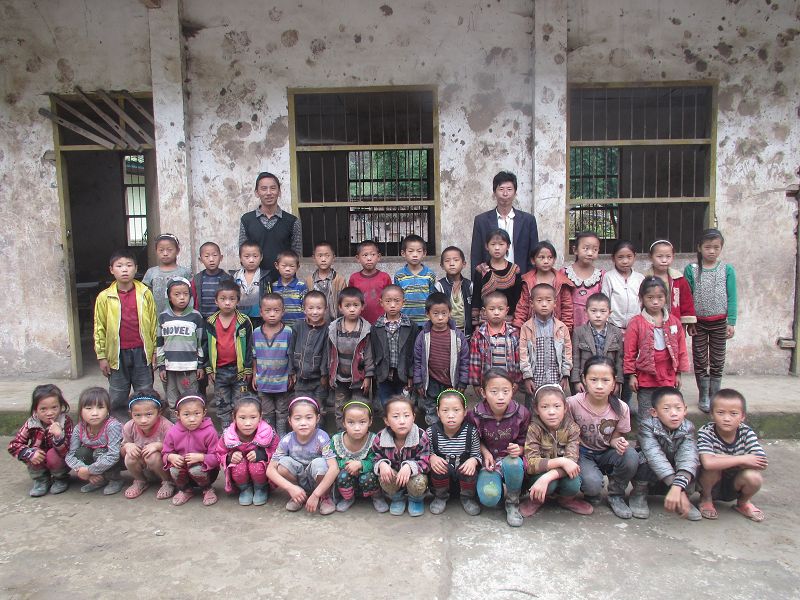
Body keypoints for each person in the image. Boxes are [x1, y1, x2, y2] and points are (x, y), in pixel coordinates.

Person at [567, 357, 638, 519]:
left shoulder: (621, 407)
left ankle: (616, 494)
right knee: (592, 485)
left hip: (606, 452)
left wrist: (617, 442)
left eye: (605, 380)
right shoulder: (572, 403)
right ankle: (591, 489)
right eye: (593, 380)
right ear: (584, 379)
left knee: (631, 456)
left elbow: (615, 437)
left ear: (614, 383)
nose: (599, 386)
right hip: (582, 453)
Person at [94, 249, 157, 419]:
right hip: (116, 354)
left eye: (129, 265)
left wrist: (154, 351)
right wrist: (102, 356)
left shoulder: (145, 293)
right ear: (111, 269)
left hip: (141, 352)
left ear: (136, 268)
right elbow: (99, 328)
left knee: (145, 393)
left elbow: (153, 324)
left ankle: (145, 426)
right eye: (119, 266)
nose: (124, 269)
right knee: (118, 395)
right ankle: (119, 428)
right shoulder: (104, 297)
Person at [684, 229, 737, 413]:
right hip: (698, 323)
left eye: (716, 247)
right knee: (700, 359)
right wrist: (689, 321)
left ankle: (715, 395)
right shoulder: (691, 269)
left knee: (717, 359)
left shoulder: (727, 270)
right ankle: (703, 395)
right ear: (699, 248)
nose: (712, 251)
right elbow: (687, 297)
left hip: (720, 322)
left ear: (721, 248)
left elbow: (732, 296)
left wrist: (731, 321)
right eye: (707, 247)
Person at [629, 387, 701, 521]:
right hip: (652, 471)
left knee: (694, 461)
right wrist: (677, 487)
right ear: (654, 412)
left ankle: (684, 497)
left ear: (685, 410)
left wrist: (678, 487)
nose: (674, 413)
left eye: (678, 408)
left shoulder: (688, 428)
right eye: (666, 409)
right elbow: (654, 455)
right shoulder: (646, 426)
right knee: (642, 458)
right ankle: (639, 494)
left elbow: (687, 456)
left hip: (673, 474)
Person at [697, 389, 767, 522]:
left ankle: (743, 503)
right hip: (711, 484)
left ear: (742, 416)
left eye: (733, 413)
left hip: (736, 483)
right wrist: (743, 459)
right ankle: (706, 499)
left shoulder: (746, 432)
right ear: (712, 414)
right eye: (720, 413)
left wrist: (718, 458)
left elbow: (761, 462)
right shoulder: (706, 432)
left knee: (754, 477)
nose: (727, 418)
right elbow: (708, 463)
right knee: (711, 469)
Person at [470, 368, 529, 527]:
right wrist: (485, 452)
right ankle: (500, 489)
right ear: (483, 392)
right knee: (489, 498)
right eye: (494, 392)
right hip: (489, 464)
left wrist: (520, 449)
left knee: (514, 463)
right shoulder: (475, 415)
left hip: (511, 463)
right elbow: (473, 439)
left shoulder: (522, 414)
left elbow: (528, 442)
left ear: (513, 390)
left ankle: (512, 502)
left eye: (505, 391)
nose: (500, 397)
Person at [521, 384, 593, 517]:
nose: (551, 412)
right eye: (545, 407)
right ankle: (536, 500)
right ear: (536, 409)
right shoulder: (534, 429)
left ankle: (566, 500)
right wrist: (561, 461)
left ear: (565, 408)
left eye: (557, 406)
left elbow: (572, 463)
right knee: (550, 484)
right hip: (538, 474)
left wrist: (548, 477)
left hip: (559, 474)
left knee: (573, 483)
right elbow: (531, 464)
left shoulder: (572, 429)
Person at [624, 277, 690, 414]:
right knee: (646, 413)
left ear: (666, 298)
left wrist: (678, 373)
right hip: (645, 377)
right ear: (641, 298)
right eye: (650, 297)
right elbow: (629, 352)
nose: (655, 302)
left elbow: (681, 350)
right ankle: (646, 429)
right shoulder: (636, 323)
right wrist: (632, 375)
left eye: (660, 297)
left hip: (668, 375)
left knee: (666, 411)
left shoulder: (674, 322)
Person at [266, 396, 338, 515]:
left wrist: (316, 494)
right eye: (297, 418)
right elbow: (270, 470)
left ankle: (324, 497)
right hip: (299, 479)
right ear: (290, 421)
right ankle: (299, 495)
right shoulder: (287, 440)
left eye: (309, 418)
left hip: (317, 481)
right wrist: (290, 488)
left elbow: (334, 468)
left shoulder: (321, 437)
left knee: (320, 463)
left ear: (317, 418)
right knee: (283, 464)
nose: (303, 423)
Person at [413, 292, 470, 425]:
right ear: (428, 314)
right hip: (431, 381)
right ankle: (434, 433)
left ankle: (448, 432)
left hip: (451, 382)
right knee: (431, 409)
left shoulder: (457, 336)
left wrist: (463, 381)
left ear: (450, 312)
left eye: (444, 313)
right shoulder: (423, 336)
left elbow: (464, 360)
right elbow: (417, 361)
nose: (440, 317)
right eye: (435, 313)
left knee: (449, 408)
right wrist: (418, 381)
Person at [7, 384, 73, 497]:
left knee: (52, 454)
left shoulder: (65, 422)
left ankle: (60, 478)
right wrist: (29, 453)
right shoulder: (31, 423)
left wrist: (59, 436)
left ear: (61, 406)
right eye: (43, 409)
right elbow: (14, 445)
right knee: (34, 451)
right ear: (35, 410)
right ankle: (41, 480)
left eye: (54, 407)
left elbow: (69, 452)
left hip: (59, 459)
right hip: (39, 459)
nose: (49, 413)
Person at [205, 280, 254, 429]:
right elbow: (206, 346)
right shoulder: (210, 322)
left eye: (232, 299)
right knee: (222, 402)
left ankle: (239, 430)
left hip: (239, 371)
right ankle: (226, 431)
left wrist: (248, 369)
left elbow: (250, 346)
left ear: (238, 301)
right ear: (216, 301)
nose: (227, 303)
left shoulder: (244, 321)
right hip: (219, 371)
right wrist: (209, 368)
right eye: (223, 299)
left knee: (240, 402)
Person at [470, 171, 539, 275]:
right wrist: (477, 279)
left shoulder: (528, 220)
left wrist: (530, 279)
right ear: (494, 193)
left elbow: (534, 253)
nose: (505, 193)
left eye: (509, 189)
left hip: (520, 277)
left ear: (515, 193)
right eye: (501, 189)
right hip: (490, 277)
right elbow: (476, 255)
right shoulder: (481, 220)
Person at [373, 394, 430, 517]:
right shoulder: (380, 438)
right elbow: (375, 458)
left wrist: (409, 467)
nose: (402, 421)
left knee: (418, 481)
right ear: (386, 420)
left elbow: (425, 462)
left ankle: (415, 499)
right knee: (384, 475)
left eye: (406, 415)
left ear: (413, 417)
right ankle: (397, 498)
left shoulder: (421, 436)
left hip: (413, 477)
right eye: (395, 416)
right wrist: (382, 464)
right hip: (394, 477)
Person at [215, 396, 279, 506]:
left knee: (256, 465)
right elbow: (219, 453)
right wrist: (230, 457)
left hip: (261, 472)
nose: (248, 423)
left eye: (253, 417)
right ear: (234, 417)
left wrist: (263, 454)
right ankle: (245, 489)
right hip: (239, 474)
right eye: (242, 418)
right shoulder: (228, 435)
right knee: (238, 465)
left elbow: (278, 451)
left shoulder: (268, 433)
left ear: (260, 417)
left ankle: (260, 488)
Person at [427, 389, 482, 516]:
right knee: (439, 466)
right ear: (438, 412)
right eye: (445, 410)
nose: (450, 415)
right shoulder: (431, 432)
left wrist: (473, 461)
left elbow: (477, 454)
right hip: (441, 481)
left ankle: (467, 498)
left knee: (469, 468)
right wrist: (431, 457)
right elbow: (424, 454)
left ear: (465, 412)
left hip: (463, 481)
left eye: (456, 410)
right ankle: (440, 497)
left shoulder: (471, 432)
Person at [327, 287, 374, 429]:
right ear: (340, 307)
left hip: (359, 378)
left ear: (362, 306)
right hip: (340, 378)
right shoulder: (334, 328)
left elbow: (369, 355)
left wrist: (368, 376)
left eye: (356, 305)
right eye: (347, 306)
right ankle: (340, 434)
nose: (352, 309)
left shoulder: (365, 329)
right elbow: (329, 353)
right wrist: (330, 374)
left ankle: (360, 434)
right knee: (340, 408)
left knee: (359, 407)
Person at [156, 277, 205, 410]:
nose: (182, 298)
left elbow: (201, 343)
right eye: (177, 294)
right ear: (169, 297)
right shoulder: (163, 317)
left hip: (189, 367)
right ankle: (174, 421)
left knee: (190, 398)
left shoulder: (196, 316)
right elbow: (160, 343)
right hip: (170, 367)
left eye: (185, 294)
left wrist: (200, 365)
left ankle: (191, 420)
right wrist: (161, 366)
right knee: (172, 398)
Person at [239, 172, 302, 275]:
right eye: (264, 189)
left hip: (284, 281)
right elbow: (243, 253)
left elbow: (296, 255)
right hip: (256, 280)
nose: (268, 193)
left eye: (273, 188)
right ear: (256, 193)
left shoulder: (292, 221)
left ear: (279, 192)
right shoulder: (246, 220)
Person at [162, 394, 220, 506]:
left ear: (204, 413)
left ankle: (207, 489)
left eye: (197, 413)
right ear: (177, 415)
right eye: (186, 414)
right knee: (174, 469)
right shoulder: (173, 432)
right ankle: (185, 490)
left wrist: (202, 457)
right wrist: (170, 457)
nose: (192, 419)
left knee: (196, 469)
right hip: (183, 471)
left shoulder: (210, 432)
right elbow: (165, 453)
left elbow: (217, 457)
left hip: (206, 472)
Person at [65, 387, 124, 495]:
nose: (95, 413)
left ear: (108, 410)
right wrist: (81, 469)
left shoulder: (112, 426)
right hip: (94, 465)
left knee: (99, 452)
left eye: (100, 407)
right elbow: (70, 455)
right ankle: (99, 480)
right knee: (81, 452)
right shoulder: (79, 428)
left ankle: (115, 479)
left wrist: (89, 470)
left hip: (118, 459)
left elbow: (114, 455)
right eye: (88, 408)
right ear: (81, 411)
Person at [519, 284, 572, 401]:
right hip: (534, 379)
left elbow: (567, 352)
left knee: (554, 404)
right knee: (533, 406)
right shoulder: (526, 328)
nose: (544, 304)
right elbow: (523, 354)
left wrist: (565, 374)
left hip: (555, 378)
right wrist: (527, 377)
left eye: (548, 300)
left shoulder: (562, 328)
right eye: (539, 300)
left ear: (555, 303)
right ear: (532, 303)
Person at [120, 389, 174, 500]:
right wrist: (127, 446)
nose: (143, 420)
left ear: (159, 412)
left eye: (149, 414)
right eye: (137, 415)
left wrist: (158, 446)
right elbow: (122, 452)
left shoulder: (166, 426)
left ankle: (168, 482)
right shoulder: (129, 427)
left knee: (152, 456)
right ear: (131, 414)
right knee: (130, 457)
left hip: (164, 467)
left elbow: (176, 449)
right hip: (143, 467)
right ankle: (140, 480)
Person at [252, 293, 294, 437]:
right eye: (267, 310)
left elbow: (291, 355)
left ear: (283, 312)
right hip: (263, 380)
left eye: (276, 310)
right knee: (267, 411)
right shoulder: (256, 332)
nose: (272, 314)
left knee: (282, 410)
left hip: (282, 381)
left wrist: (291, 374)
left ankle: (281, 435)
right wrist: (254, 375)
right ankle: (269, 435)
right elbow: (254, 356)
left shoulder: (288, 332)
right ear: (261, 312)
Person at [330, 401, 382, 512]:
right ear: (343, 423)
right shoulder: (336, 440)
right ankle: (348, 498)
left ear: (370, 421)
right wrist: (348, 465)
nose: (357, 428)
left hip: (367, 478)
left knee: (368, 477)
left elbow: (376, 460)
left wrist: (361, 465)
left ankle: (376, 496)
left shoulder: (374, 440)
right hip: (347, 478)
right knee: (343, 475)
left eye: (362, 422)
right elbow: (332, 460)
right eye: (351, 422)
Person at [371, 285, 419, 406]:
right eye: (388, 301)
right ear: (381, 303)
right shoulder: (376, 327)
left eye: (397, 301)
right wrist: (375, 373)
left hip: (403, 375)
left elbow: (414, 354)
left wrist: (411, 375)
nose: (392, 305)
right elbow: (373, 352)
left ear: (403, 302)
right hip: (383, 375)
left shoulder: (411, 326)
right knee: (386, 405)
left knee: (404, 405)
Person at [570, 293, 624, 397]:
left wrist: (618, 381)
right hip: (587, 379)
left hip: (608, 379)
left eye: (603, 311)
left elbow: (619, 359)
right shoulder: (579, 332)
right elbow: (575, 358)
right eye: (593, 311)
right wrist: (576, 381)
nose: (598, 315)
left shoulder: (616, 332)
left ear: (609, 313)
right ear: (586, 312)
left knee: (609, 404)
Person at [513, 241, 574, 330]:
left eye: (550, 257)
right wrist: (518, 328)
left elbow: (567, 308)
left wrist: (566, 329)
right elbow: (523, 307)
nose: (546, 261)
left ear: (554, 259)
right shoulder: (528, 281)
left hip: (556, 330)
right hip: (532, 329)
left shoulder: (562, 282)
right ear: (533, 260)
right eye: (541, 257)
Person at [468, 291, 521, 388]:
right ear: (484, 311)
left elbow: (518, 360)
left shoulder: (513, 334)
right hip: (487, 384)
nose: (496, 313)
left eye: (500, 309)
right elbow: (474, 360)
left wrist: (517, 382)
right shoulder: (479, 335)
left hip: (508, 383)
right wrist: (476, 384)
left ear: (506, 310)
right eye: (492, 309)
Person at [289, 291, 330, 409]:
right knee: (301, 407)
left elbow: (327, 354)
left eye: (319, 308)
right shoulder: (298, 326)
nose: (315, 312)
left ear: (325, 309)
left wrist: (324, 375)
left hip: (318, 380)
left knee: (319, 408)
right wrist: (291, 371)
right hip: (300, 378)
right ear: (304, 309)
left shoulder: (327, 329)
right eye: (311, 308)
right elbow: (291, 350)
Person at [472, 229, 524, 322]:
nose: (497, 248)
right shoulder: (481, 270)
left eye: (501, 244)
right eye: (493, 244)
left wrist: (517, 322)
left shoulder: (515, 270)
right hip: (485, 322)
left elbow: (518, 299)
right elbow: (476, 298)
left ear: (508, 246)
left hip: (509, 322)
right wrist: (475, 323)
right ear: (486, 246)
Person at [647, 239, 696, 328]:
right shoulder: (644, 279)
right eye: (659, 256)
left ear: (673, 256)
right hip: (649, 323)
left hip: (674, 324)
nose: (664, 260)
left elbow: (686, 301)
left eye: (668, 256)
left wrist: (689, 322)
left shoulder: (678, 278)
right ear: (650, 257)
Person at [142, 233, 193, 317]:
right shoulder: (151, 272)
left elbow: (191, 295)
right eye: (161, 250)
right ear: (156, 251)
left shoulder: (184, 272)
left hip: (180, 318)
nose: (165, 253)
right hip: (157, 317)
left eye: (169, 250)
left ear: (177, 250)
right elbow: (146, 296)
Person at [562, 231, 604, 329]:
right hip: (569, 323)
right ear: (575, 250)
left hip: (593, 325)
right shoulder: (564, 274)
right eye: (586, 248)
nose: (590, 253)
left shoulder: (601, 276)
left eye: (595, 249)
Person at [393, 234, 437, 325]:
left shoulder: (430, 275)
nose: (415, 255)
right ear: (403, 253)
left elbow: (432, 298)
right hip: (405, 321)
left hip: (425, 321)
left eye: (419, 251)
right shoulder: (399, 275)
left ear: (424, 253)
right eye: (411, 251)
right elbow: (397, 298)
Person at [349, 240, 393, 324]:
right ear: (358, 258)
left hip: (381, 322)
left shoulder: (384, 277)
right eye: (365, 255)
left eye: (373, 255)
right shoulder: (354, 278)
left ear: (378, 257)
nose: (369, 259)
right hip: (359, 322)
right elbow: (350, 299)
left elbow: (390, 299)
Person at [435, 246, 474, 338]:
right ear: (442, 266)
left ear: (464, 264)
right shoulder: (439, 286)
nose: (452, 264)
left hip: (466, 333)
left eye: (456, 260)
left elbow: (474, 309)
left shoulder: (469, 285)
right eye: (447, 261)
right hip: (446, 333)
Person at [304, 240, 346, 322]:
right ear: (314, 258)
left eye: (327, 256)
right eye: (320, 256)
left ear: (333, 258)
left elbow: (344, 303)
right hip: (314, 323)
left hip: (335, 323)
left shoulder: (339, 280)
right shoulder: (309, 280)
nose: (323, 259)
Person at [191, 241, 233, 320]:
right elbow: (192, 299)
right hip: (201, 318)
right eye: (207, 256)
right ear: (200, 260)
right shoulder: (197, 279)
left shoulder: (227, 279)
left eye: (215, 255)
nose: (211, 259)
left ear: (221, 258)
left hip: (220, 319)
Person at [233, 241, 272, 327]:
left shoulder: (265, 276)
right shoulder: (235, 276)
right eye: (247, 256)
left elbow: (269, 297)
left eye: (255, 256)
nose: (251, 260)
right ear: (240, 258)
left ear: (261, 257)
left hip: (259, 317)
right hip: (239, 317)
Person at [271, 249, 308, 327]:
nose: (287, 269)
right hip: (279, 327)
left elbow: (306, 307)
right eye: (284, 266)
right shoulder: (273, 286)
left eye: (292, 266)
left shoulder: (301, 286)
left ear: (297, 267)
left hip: (298, 327)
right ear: (277, 266)